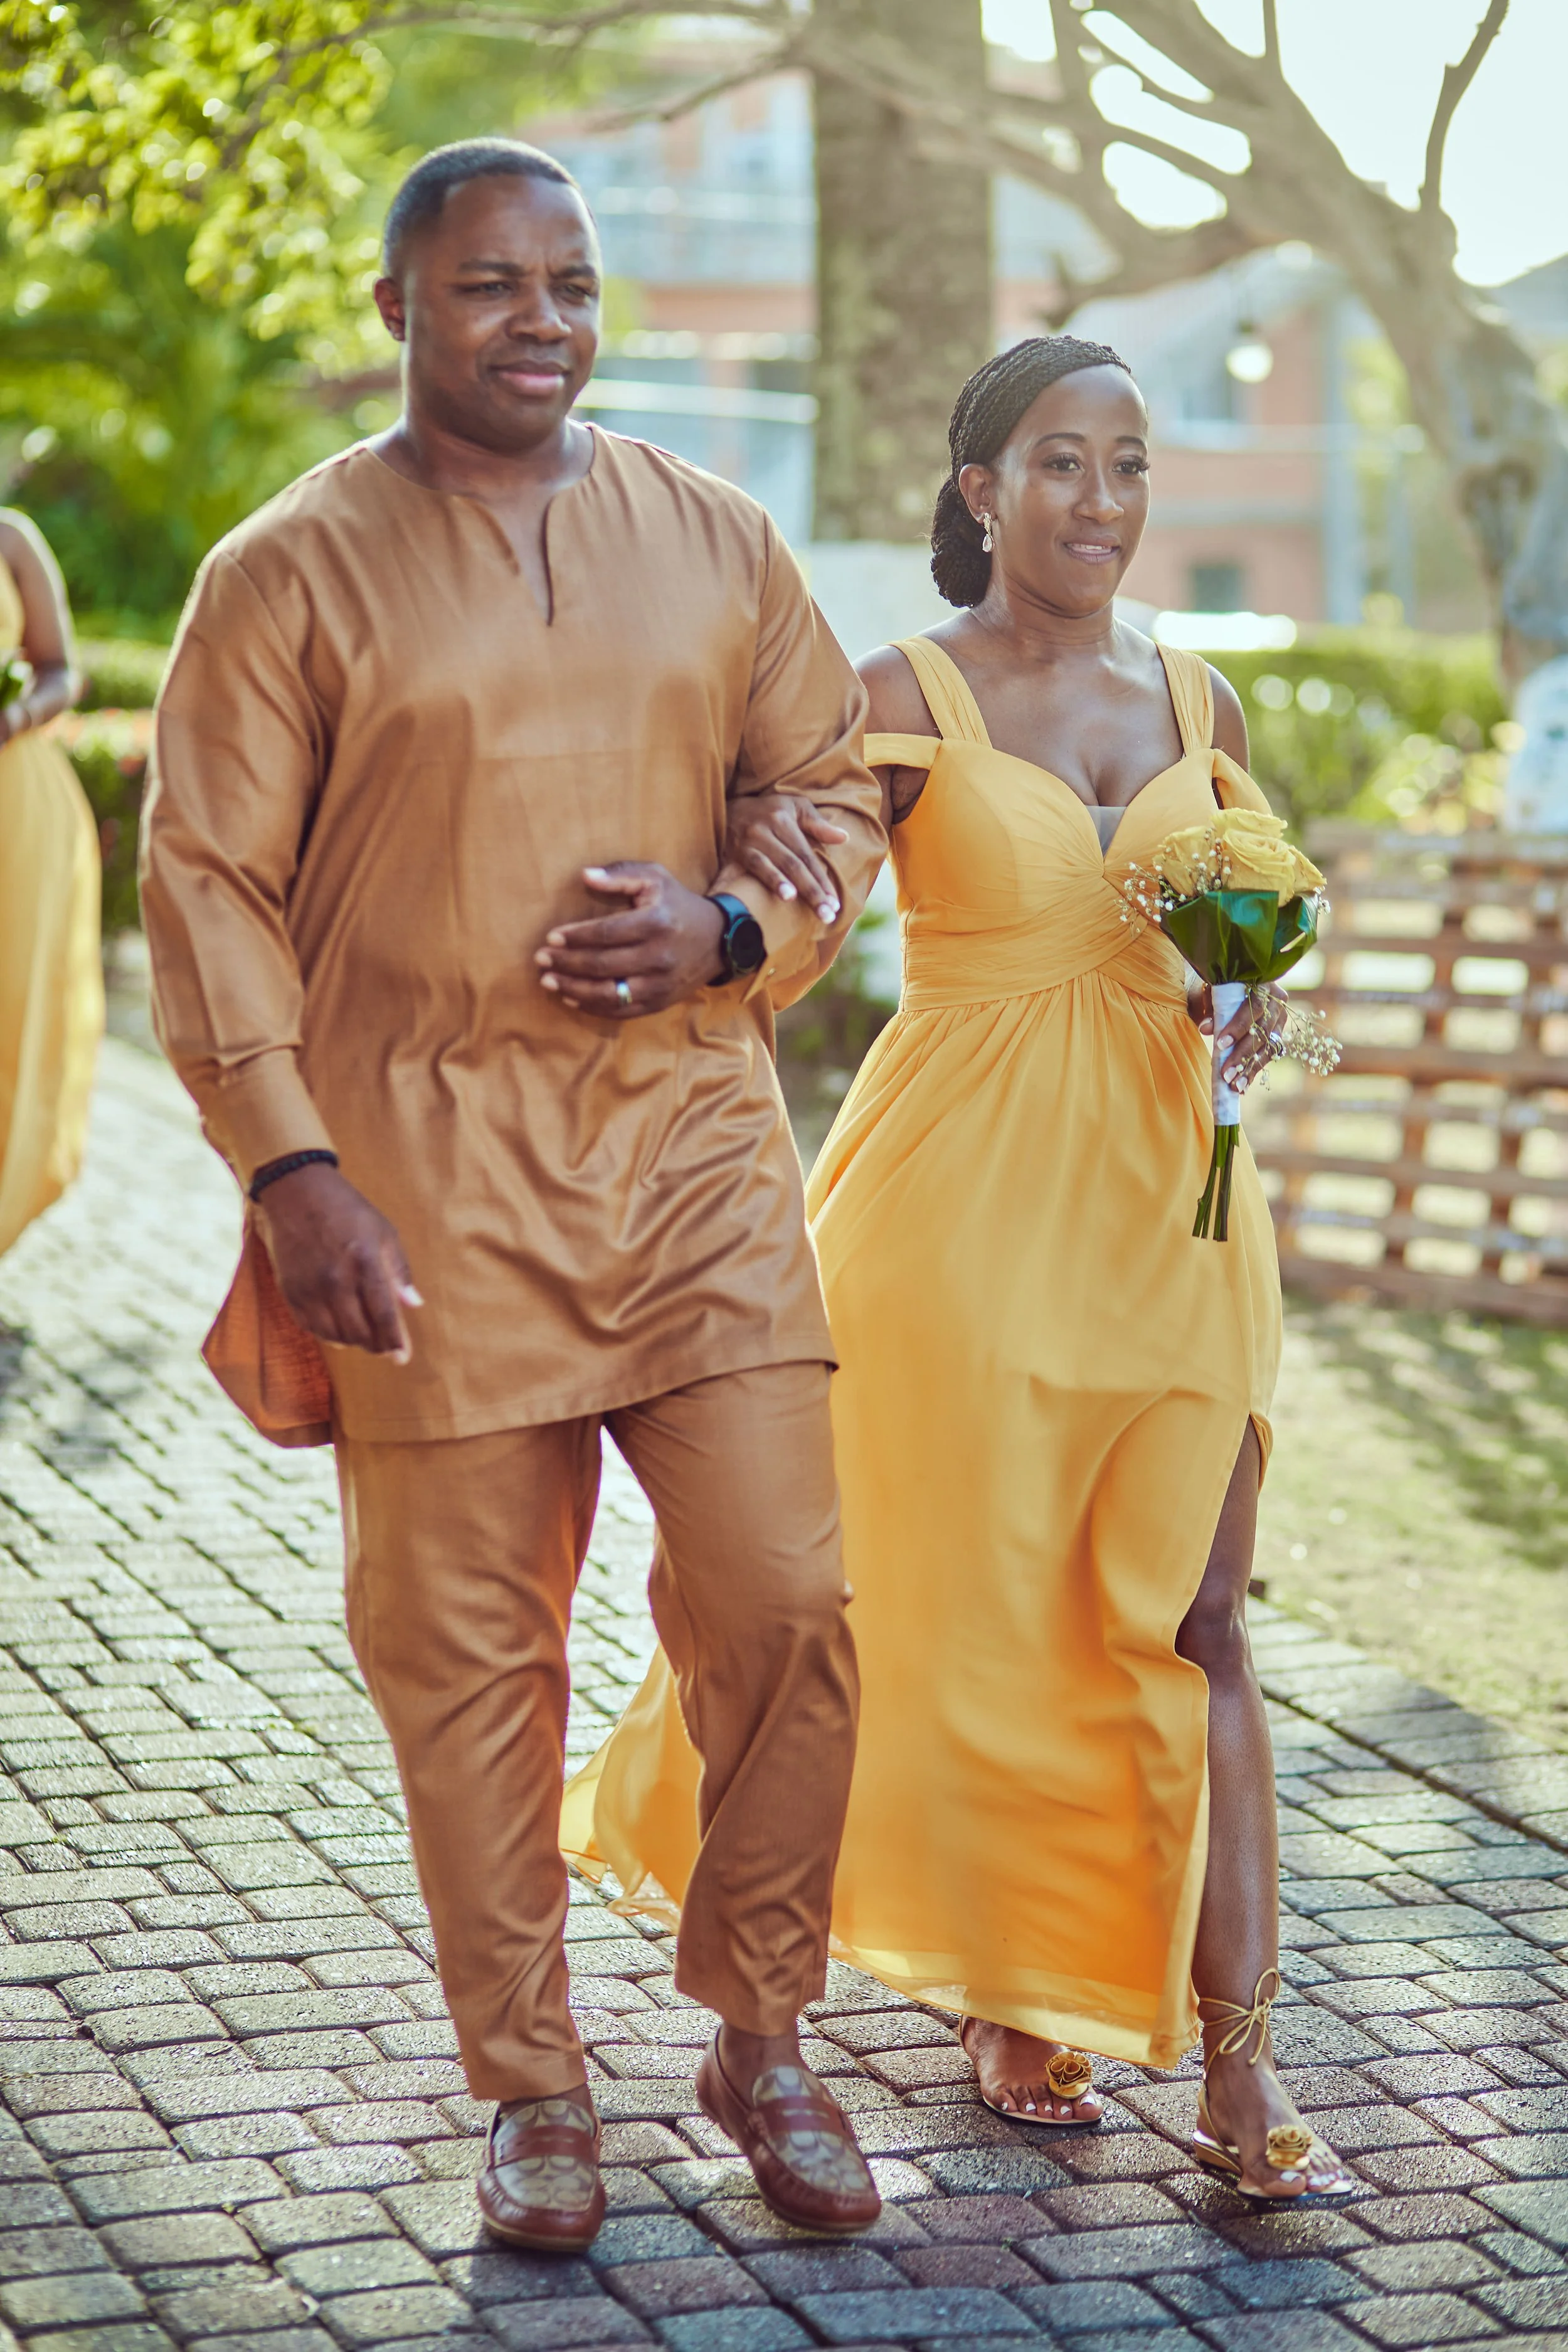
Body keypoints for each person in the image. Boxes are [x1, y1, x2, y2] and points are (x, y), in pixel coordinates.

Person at [139, 137, 889, 2252]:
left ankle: (761, 2023)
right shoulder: (285, 572)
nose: (540, 319)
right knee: (469, 1658)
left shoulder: (711, 533)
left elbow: (825, 784)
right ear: (397, 308)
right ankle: (534, 2086)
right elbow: (206, 886)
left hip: (694, 1157)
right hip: (422, 1177)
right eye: (488, 284)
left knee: (789, 1600)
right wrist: (292, 1167)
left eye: (568, 281)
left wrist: (736, 930)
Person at [563, 336, 1355, 2202]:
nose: (1099, 498)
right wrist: (700, 949)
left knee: (1195, 1617)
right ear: (981, 490)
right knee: (946, 1605)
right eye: (1059, 463)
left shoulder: (1200, 696)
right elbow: (793, 909)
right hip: (951, 1219)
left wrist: (1243, 1000)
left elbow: (1242, 966)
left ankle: (1237, 2070)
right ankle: (977, 1989)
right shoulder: (893, 694)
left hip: (1174, 1217)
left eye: (1128, 463)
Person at [0, 511, 102, 1259]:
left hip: (18, 810)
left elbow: (62, 671)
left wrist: (14, 718)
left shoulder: (11, 539)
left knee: (14, 1011)